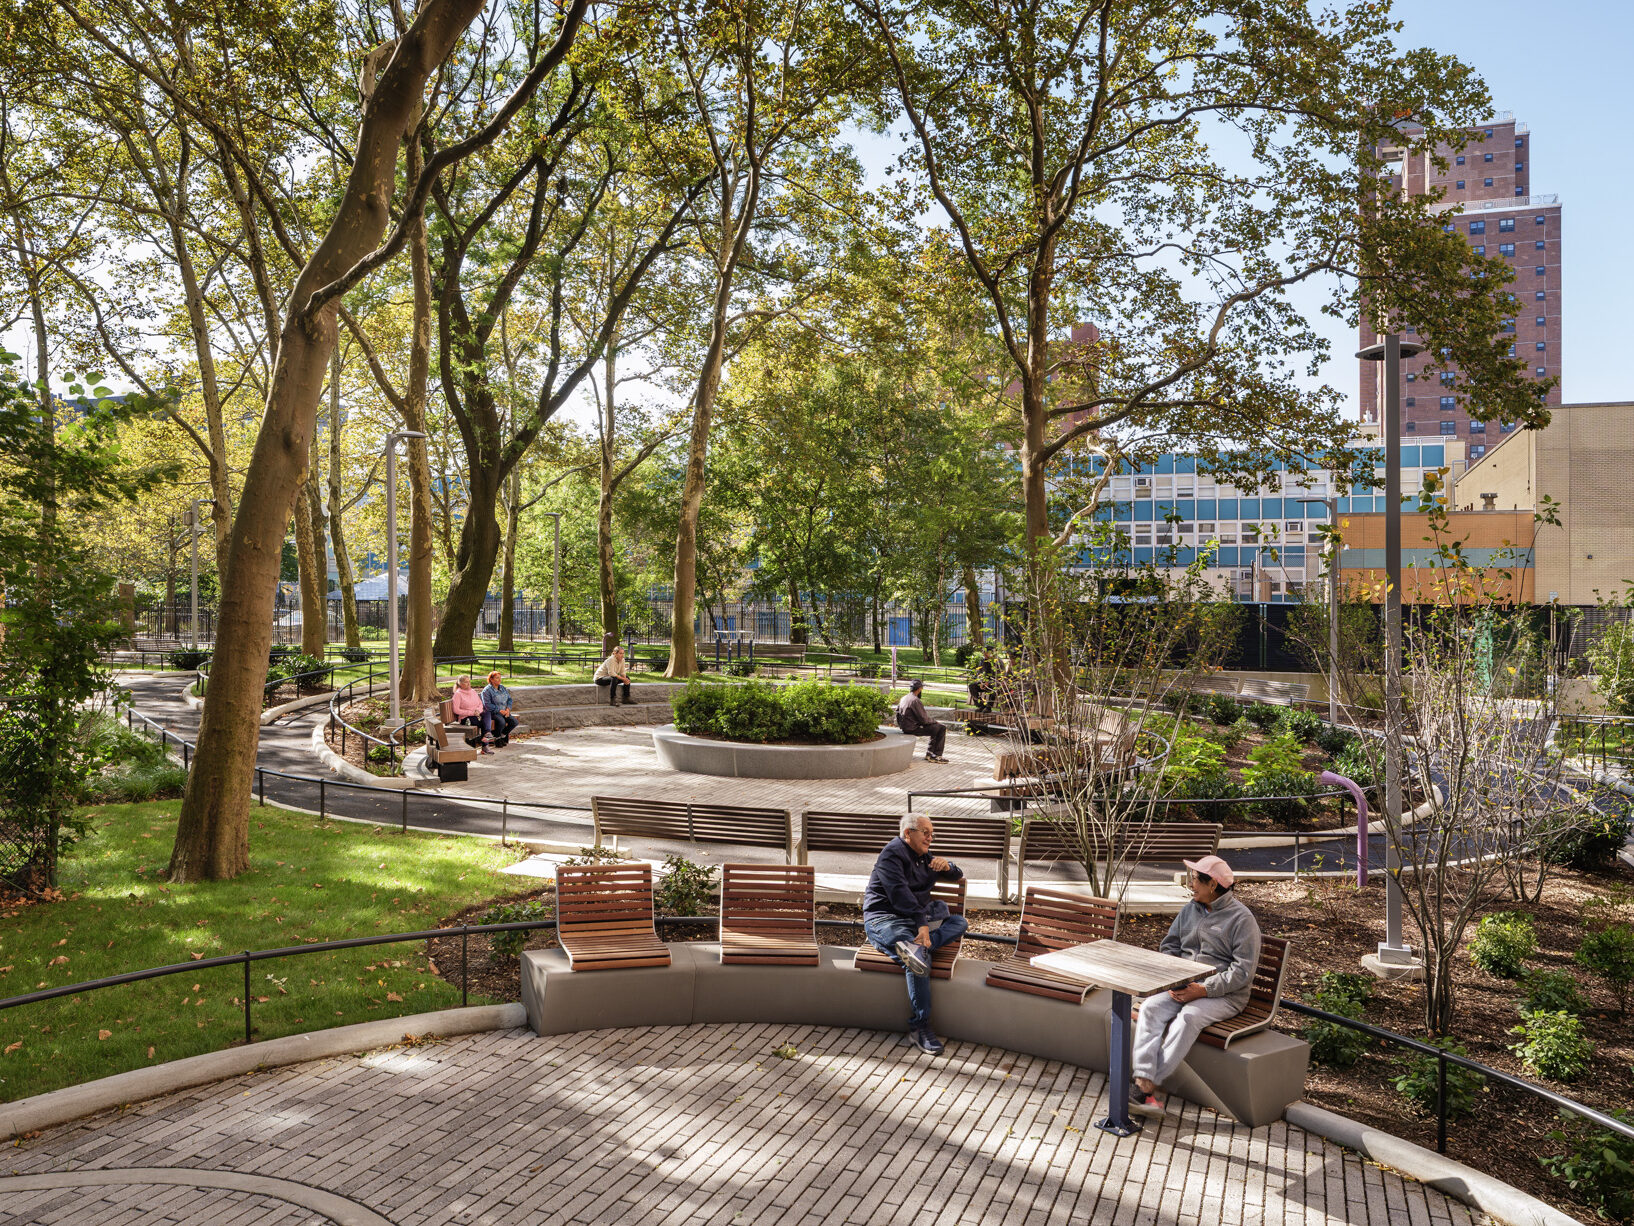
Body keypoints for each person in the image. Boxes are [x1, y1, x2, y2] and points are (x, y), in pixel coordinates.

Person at [1130, 854, 1261, 1115]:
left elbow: (1242, 972)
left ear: (1212, 885)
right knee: (1150, 1008)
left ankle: (1148, 1087)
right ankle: (1143, 1080)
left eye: (1195, 880)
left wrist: (1203, 989)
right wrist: (1175, 977)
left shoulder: (1242, 920)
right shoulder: (1190, 909)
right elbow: (1170, 945)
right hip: (1184, 986)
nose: (1192, 885)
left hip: (1225, 995)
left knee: (1189, 1018)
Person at [862, 815, 968, 1055]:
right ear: (908, 833)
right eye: (925, 832)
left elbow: (956, 875)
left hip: (912, 923)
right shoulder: (892, 854)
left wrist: (948, 865)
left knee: (959, 922)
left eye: (932, 833)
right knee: (917, 961)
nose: (930, 838)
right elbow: (900, 894)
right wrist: (921, 925)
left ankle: (919, 947)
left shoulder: (924, 858)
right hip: (884, 919)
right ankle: (920, 1027)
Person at [896, 679, 948, 762]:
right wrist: (934, 721)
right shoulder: (915, 700)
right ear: (919, 689)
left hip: (905, 727)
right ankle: (936, 756)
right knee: (941, 728)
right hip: (912, 728)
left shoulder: (904, 698)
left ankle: (930, 754)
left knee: (935, 728)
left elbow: (897, 714)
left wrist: (902, 726)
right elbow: (924, 719)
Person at [449, 675, 492, 755]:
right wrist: (472, 713)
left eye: (469, 681)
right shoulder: (458, 694)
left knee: (487, 713)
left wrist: (478, 711)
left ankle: (487, 733)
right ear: (460, 684)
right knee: (483, 723)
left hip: (476, 714)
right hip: (465, 718)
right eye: (466, 682)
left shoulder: (472, 691)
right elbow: (456, 710)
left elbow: (480, 703)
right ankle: (485, 745)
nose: (469, 683)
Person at [481, 671, 519, 747]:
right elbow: (487, 705)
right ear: (491, 679)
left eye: (500, 678)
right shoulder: (487, 690)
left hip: (505, 711)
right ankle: (498, 740)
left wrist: (508, 709)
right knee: (501, 722)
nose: (499, 679)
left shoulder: (502, 687)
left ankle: (500, 736)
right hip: (492, 712)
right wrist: (499, 710)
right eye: (497, 678)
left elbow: (509, 699)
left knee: (514, 722)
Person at [966, 645, 998, 711]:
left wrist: (988, 682)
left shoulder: (997, 662)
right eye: (984, 652)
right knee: (972, 686)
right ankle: (980, 706)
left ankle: (988, 707)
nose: (984, 654)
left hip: (994, 684)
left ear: (991, 653)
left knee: (995, 687)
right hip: (984, 683)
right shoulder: (982, 661)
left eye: (986, 652)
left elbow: (999, 677)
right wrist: (981, 682)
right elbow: (979, 673)